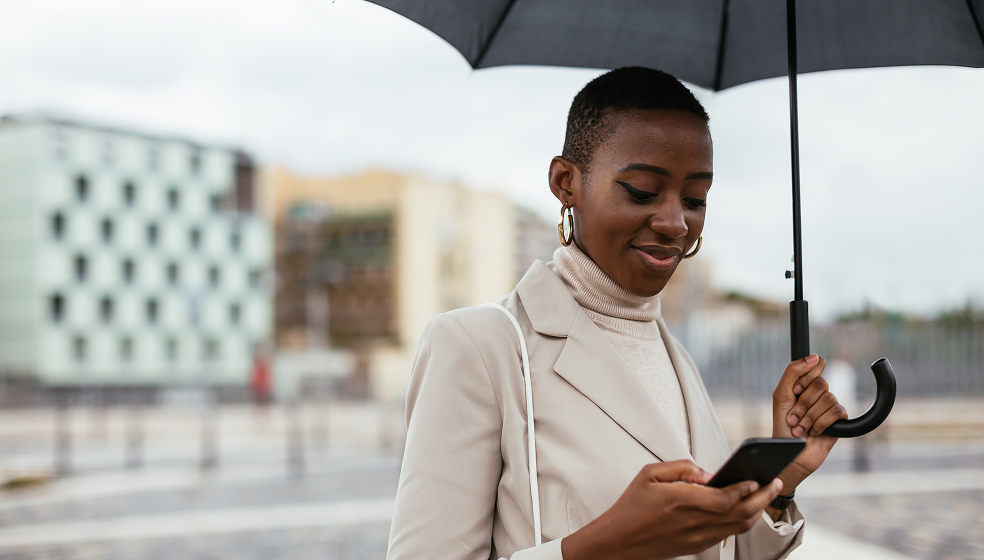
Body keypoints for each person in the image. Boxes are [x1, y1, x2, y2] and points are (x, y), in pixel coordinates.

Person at [386, 67, 847, 560]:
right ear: (567, 183)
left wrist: (780, 482)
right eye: (643, 191)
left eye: (695, 199)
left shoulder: (675, 357)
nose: (675, 222)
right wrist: (609, 543)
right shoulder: (477, 346)